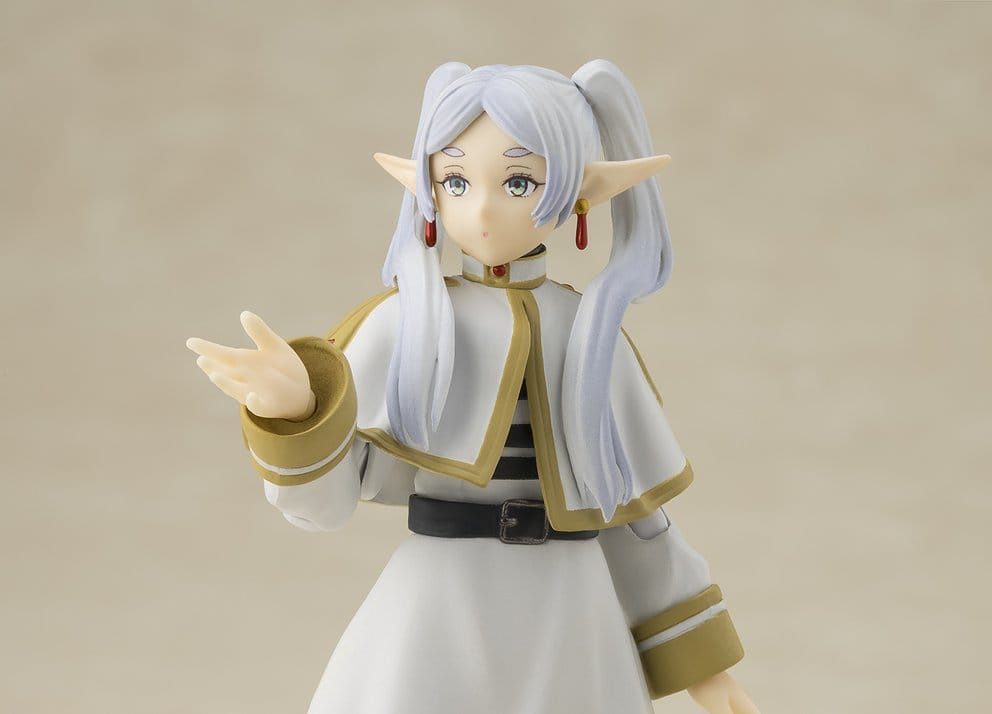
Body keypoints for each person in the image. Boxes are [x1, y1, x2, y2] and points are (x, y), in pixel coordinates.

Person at [187, 60, 760, 714]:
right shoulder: (406, 327)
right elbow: (324, 506)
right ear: (429, 189)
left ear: (578, 194)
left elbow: (636, 524)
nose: (483, 208)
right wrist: (298, 415)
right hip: (439, 608)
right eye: (455, 181)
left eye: (519, 182)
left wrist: (708, 670)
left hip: (570, 618)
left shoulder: (590, 335)